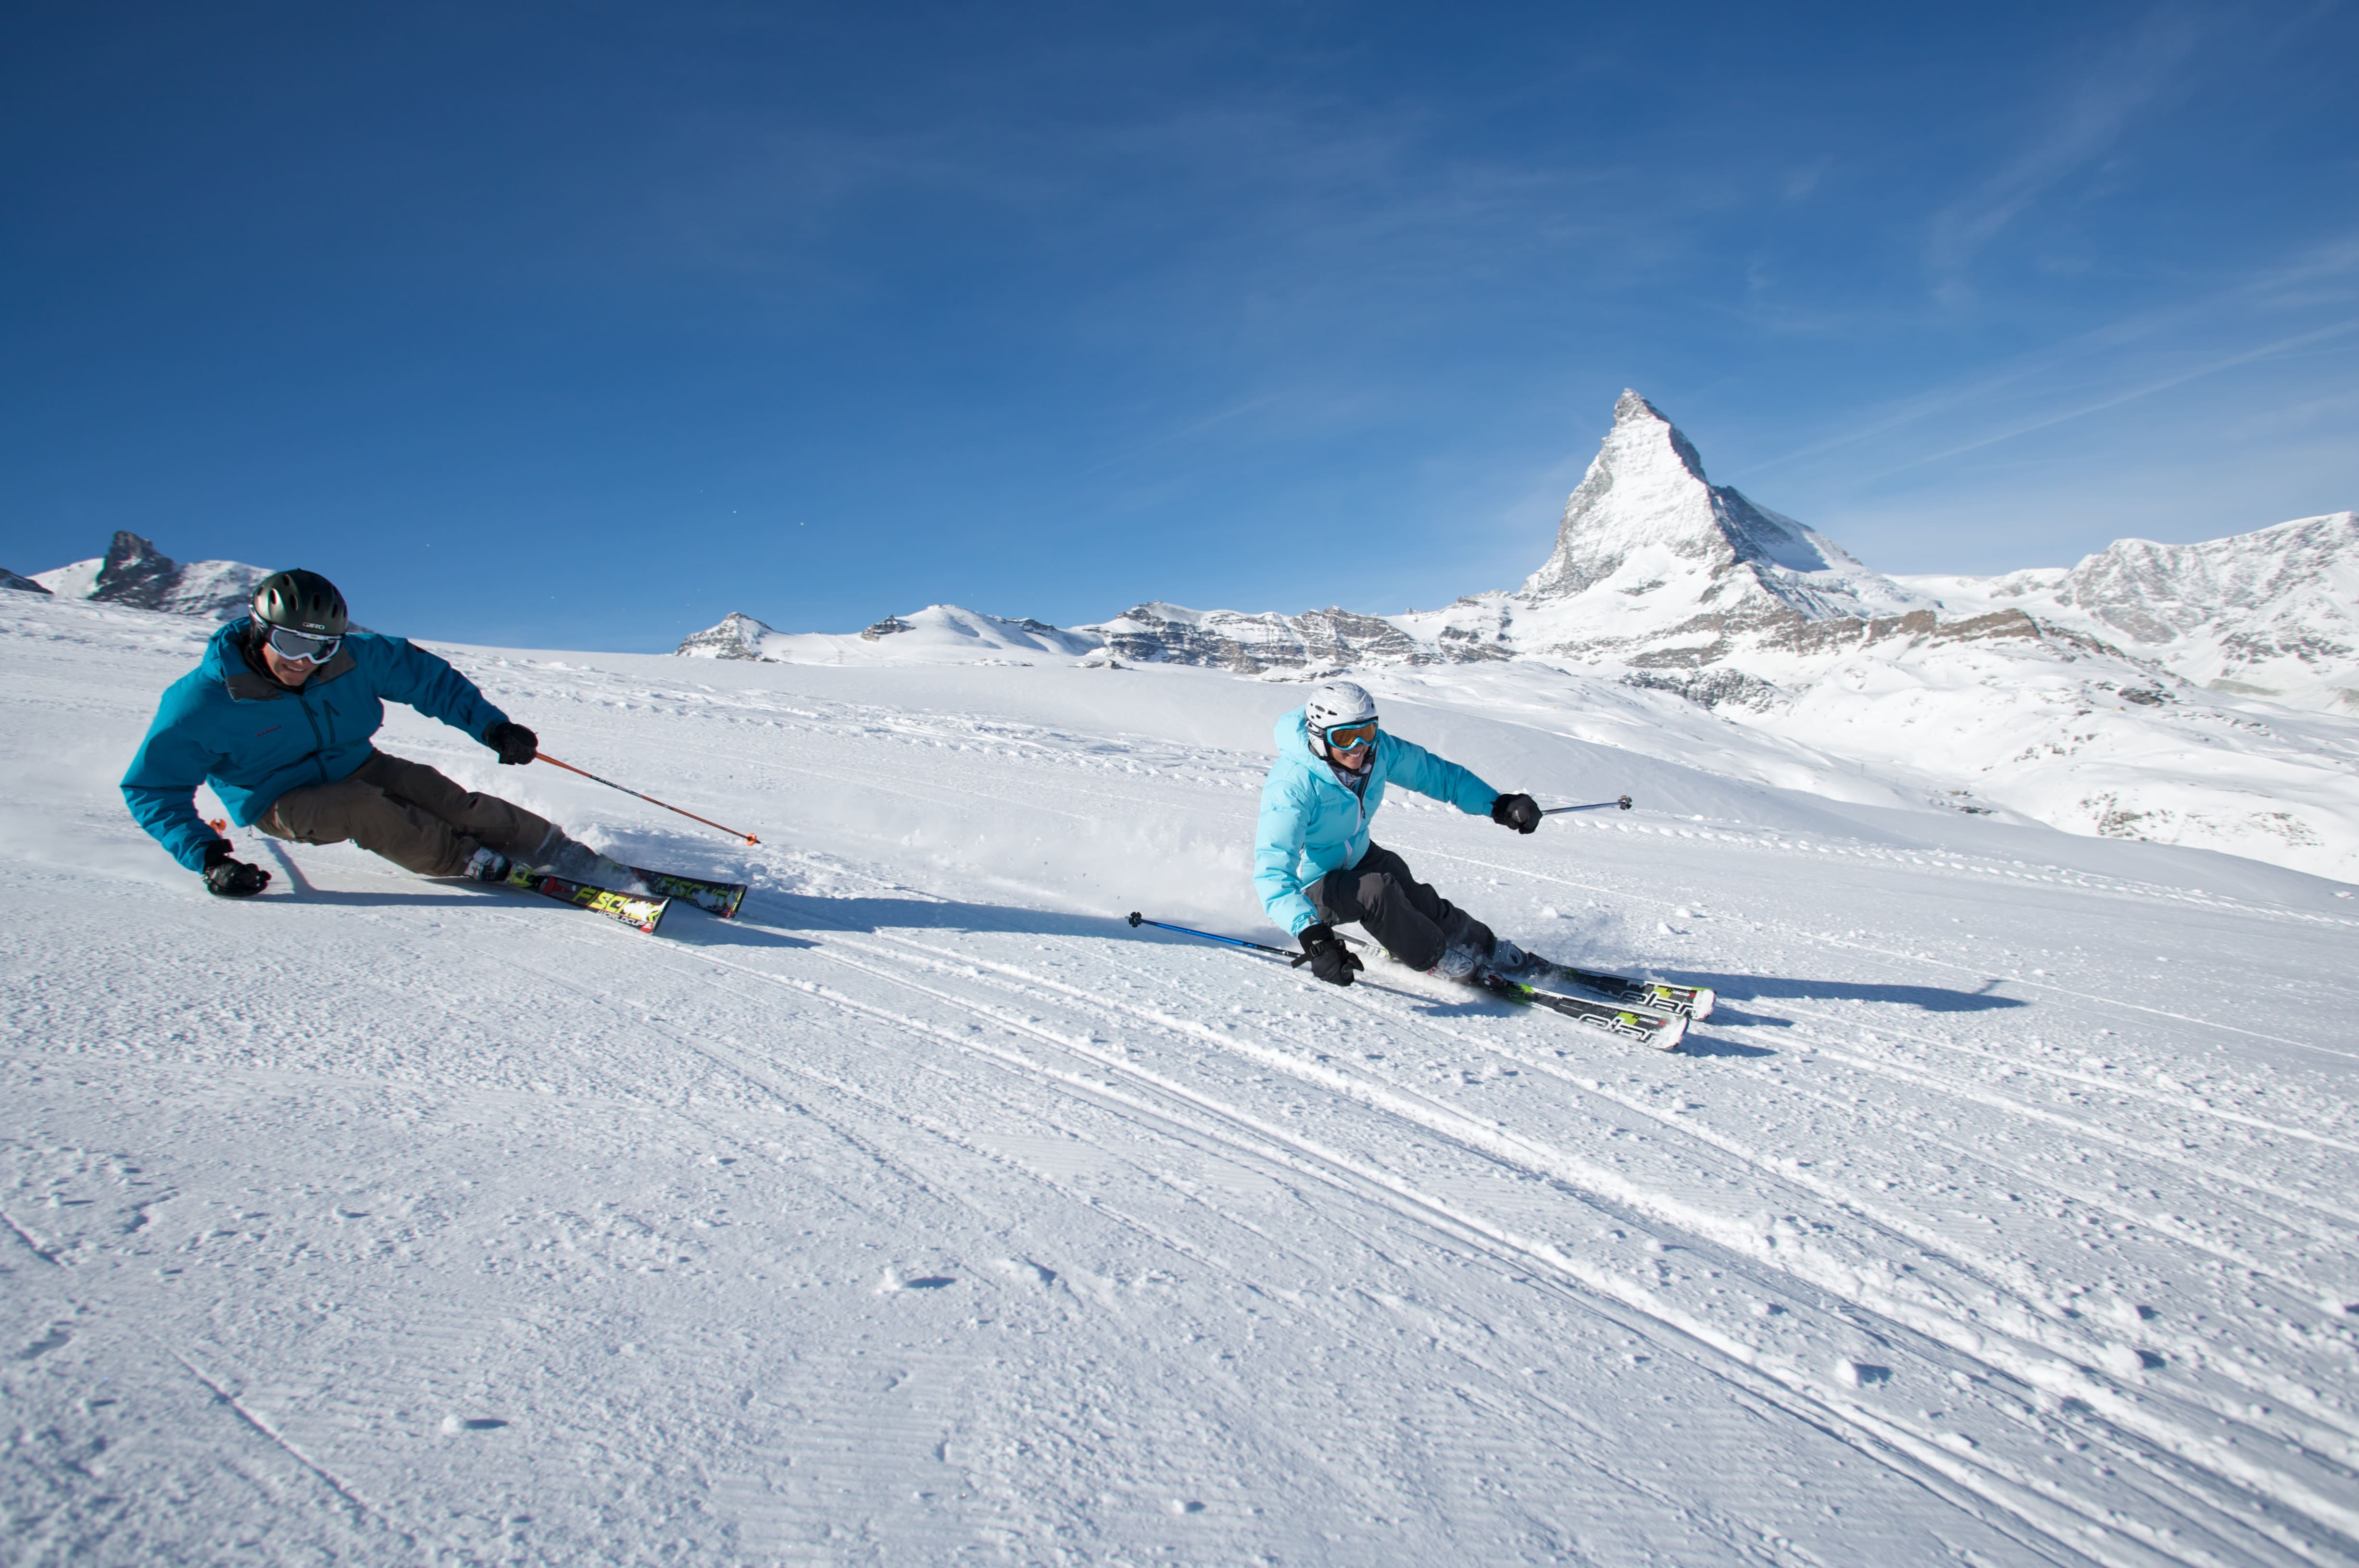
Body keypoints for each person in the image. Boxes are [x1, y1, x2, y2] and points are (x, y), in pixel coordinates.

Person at [122, 568, 616, 898]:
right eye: (291, 643)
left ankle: (562, 853)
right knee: (364, 807)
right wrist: (207, 857)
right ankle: (468, 860)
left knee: (444, 796)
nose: (304, 662)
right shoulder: (202, 703)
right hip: (276, 798)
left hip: (355, 760)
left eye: (322, 648)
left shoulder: (350, 659)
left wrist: (492, 726)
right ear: (259, 630)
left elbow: (426, 679)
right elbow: (152, 787)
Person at [1254, 681, 1544, 987]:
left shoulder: (1378, 752)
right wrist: (1312, 935)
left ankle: (1484, 946)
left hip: (1358, 855)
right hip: (1313, 886)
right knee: (1376, 892)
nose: (1358, 748)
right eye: (1344, 738)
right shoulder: (1292, 786)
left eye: (1366, 733)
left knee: (1411, 891)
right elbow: (1273, 873)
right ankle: (1434, 957)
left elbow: (1436, 775)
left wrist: (1497, 804)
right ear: (1319, 736)